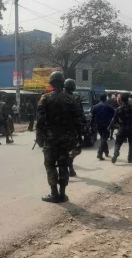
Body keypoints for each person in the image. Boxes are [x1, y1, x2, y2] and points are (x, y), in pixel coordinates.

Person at [36, 72, 83, 203]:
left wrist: (40, 138)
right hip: (67, 140)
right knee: (64, 165)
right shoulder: (72, 99)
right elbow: (78, 121)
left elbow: (39, 121)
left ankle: (54, 193)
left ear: (51, 84)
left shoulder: (44, 98)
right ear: (63, 83)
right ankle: (62, 194)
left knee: (50, 165)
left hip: (50, 140)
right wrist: (79, 140)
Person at [109, 93, 132, 164]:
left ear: (121, 100)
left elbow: (114, 120)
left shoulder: (119, 109)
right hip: (131, 129)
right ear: (127, 99)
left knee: (118, 143)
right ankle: (130, 159)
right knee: (131, 144)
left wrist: (109, 127)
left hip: (122, 128)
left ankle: (116, 153)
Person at [64, 78, 82, 177]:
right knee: (75, 150)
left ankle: (68, 168)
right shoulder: (75, 99)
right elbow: (79, 117)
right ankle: (70, 168)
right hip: (71, 131)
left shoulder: (56, 97)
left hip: (56, 131)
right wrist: (80, 136)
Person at [92, 94, 115, 160]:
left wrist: (92, 125)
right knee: (104, 138)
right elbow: (114, 115)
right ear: (106, 99)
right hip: (106, 124)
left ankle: (106, 152)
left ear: (99, 99)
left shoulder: (95, 106)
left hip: (98, 125)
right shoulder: (109, 106)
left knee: (103, 138)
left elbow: (93, 117)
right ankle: (100, 153)